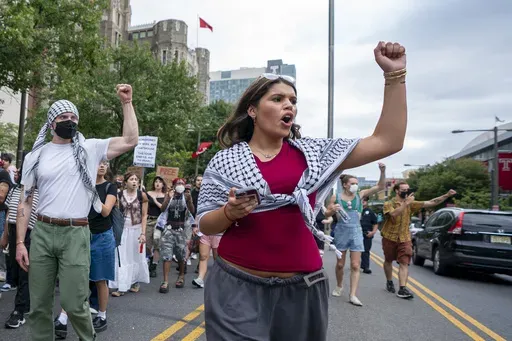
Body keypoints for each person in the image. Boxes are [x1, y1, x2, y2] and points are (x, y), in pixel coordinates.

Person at [197, 41, 408, 340]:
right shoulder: (227, 160)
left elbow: (388, 140)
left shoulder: (314, 155)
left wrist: (395, 76)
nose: (289, 105)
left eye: (293, 101)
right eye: (278, 98)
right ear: (253, 110)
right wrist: (228, 213)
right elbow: (205, 221)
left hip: (302, 289)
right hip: (236, 287)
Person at [15, 84, 139, 341]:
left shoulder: (89, 149)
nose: (69, 121)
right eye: (63, 117)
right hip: (42, 232)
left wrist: (127, 103)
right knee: (38, 305)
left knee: (74, 302)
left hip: (76, 233)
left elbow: (130, 140)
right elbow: (25, 202)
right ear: (52, 123)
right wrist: (19, 242)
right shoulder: (36, 157)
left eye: (73, 117)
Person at [54, 160, 118, 337]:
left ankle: (102, 315)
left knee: (100, 279)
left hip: (103, 237)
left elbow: (105, 211)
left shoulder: (110, 187)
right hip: (81, 234)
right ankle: (63, 318)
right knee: (74, 277)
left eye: (105, 163)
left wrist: (91, 192)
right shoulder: (82, 184)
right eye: (99, 162)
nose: (102, 166)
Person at [381, 181, 456, 299]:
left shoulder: (412, 204)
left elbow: (431, 202)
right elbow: (394, 214)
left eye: (408, 189)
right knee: (388, 260)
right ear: (397, 191)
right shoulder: (388, 203)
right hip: (389, 237)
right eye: (404, 190)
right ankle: (389, 281)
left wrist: (446, 195)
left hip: (405, 237)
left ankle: (402, 288)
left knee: (404, 262)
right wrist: (406, 203)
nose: (407, 192)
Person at [325, 163, 385, 306]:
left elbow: (380, 186)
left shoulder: (360, 195)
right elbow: (326, 213)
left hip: (356, 231)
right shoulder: (336, 197)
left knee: (356, 264)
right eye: (352, 183)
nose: (355, 186)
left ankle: (353, 295)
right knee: (340, 264)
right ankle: (339, 286)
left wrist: (383, 171)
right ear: (345, 185)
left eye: (356, 183)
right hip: (341, 231)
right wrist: (332, 209)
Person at [110, 172, 150, 296]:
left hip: (136, 229)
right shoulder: (119, 195)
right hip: (122, 229)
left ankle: (135, 281)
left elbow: (144, 215)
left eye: (136, 179)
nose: (134, 181)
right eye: (131, 179)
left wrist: (143, 233)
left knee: (135, 256)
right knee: (122, 257)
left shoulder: (142, 195)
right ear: (126, 182)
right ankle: (122, 286)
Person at [158, 178, 194, 292]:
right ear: (174, 185)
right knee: (167, 255)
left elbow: (192, 210)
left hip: (181, 230)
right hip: (169, 229)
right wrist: (168, 197)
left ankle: (181, 275)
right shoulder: (169, 195)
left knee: (181, 254)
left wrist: (189, 200)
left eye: (182, 184)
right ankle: (165, 281)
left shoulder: (186, 196)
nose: (181, 185)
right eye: (178, 183)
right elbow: (163, 209)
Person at [145, 176, 167, 278]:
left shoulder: (166, 196)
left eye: (160, 182)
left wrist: (155, 200)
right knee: (147, 244)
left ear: (163, 184)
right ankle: (149, 258)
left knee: (157, 242)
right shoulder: (148, 193)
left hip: (160, 222)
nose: (157, 183)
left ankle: (154, 266)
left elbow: (163, 209)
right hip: (149, 220)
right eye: (156, 182)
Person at [360, 197, 379, 274]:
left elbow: (375, 223)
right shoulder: (355, 211)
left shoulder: (370, 212)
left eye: (365, 200)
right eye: (362, 200)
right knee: (355, 251)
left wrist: (373, 232)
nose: (363, 201)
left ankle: (366, 267)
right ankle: (355, 263)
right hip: (356, 233)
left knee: (366, 250)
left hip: (366, 234)